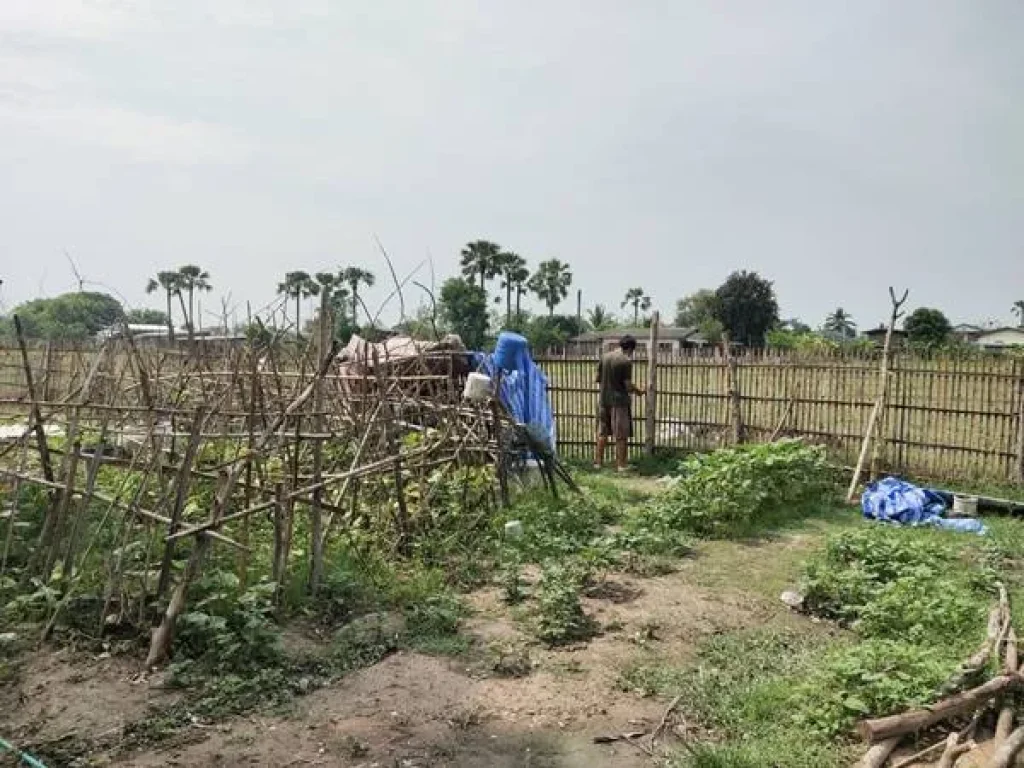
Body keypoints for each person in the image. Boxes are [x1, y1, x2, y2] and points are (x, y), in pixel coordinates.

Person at [595, 335, 644, 472]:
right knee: (621, 435)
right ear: (631, 348)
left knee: (602, 432)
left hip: (604, 400)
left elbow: (597, 378)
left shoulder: (605, 357)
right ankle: (621, 465)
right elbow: (628, 386)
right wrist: (639, 391)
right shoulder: (625, 361)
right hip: (619, 402)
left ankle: (598, 462)